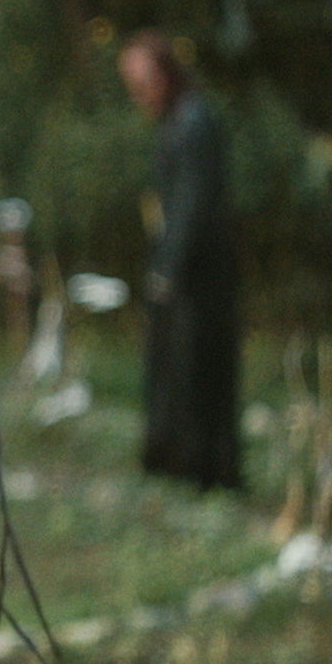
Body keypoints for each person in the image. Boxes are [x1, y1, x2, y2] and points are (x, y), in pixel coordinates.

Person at [118, 31, 242, 489]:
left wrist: (169, 269)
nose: (139, 93)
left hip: (198, 276)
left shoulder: (193, 121)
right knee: (172, 370)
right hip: (183, 269)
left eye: (143, 80)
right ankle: (178, 464)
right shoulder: (178, 121)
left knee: (196, 371)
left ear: (165, 73)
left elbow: (192, 202)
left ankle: (203, 470)